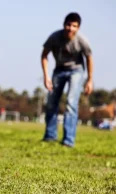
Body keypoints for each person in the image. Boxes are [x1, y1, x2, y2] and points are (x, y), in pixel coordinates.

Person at [41, 12, 94, 147]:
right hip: (59, 70)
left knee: (71, 102)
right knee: (52, 102)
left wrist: (89, 80)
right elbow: (44, 55)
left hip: (76, 71)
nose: (70, 28)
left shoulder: (82, 41)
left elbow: (89, 58)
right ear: (64, 24)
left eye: (74, 26)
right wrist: (46, 76)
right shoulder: (54, 37)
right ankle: (50, 136)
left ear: (78, 28)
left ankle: (68, 140)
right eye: (68, 25)